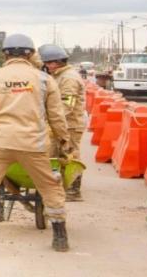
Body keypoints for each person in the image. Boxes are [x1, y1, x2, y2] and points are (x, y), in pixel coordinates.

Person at [0, 33, 73, 257]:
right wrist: (64, 141)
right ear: (31, 54)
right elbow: (56, 116)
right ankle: (60, 237)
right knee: (50, 188)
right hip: (33, 144)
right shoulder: (44, 79)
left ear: (5, 54)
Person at [39, 44, 86, 201]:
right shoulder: (59, 75)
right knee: (56, 154)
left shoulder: (69, 78)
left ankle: (73, 190)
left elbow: (67, 105)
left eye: (47, 63)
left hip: (70, 124)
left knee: (70, 154)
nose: (46, 66)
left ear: (55, 62)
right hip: (61, 122)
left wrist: (49, 119)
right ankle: (60, 187)